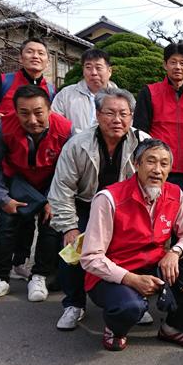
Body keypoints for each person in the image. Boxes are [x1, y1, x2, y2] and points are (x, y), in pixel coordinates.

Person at [80, 139, 183, 352]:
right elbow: (90, 257)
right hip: (113, 274)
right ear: (136, 164)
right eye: (150, 161)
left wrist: (174, 252)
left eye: (164, 164)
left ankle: (175, 327)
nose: (157, 170)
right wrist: (130, 279)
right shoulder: (109, 199)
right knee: (131, 307)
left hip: (153, 265)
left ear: (171, 169)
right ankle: (116, 328)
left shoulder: (175, 194)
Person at [48, 88, 151, 331]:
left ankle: (137, 300)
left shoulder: (144, 142)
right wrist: (69, 227)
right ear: (97, 114)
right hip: (86, 205)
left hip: (126, 208)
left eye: (123, 114)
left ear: (132, 116)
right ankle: (74, 303)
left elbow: (154, 181)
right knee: (73, 248)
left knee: (138, 247)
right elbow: (62, 190)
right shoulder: (77, 144)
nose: (117, 120)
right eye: (110, 113)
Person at [0, 38, 54, 287]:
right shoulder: (3, 81)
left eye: (41, 53)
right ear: (21, 57)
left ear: (47, 61)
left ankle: (19, 261)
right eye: (30, 52)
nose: (35, 56)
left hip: (30, 166)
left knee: (26, 215)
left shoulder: (51, 90)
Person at [0, 85, 71, 303]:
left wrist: (52, 199)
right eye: (24, 113)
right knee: (7, 222)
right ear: (15, 111)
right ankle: (0, 278)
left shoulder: (65, 129)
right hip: (17, 180)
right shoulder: (3, 127)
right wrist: (4, 198)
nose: (32, 120)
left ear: (49, 110)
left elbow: (67, 170)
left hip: (51, 181)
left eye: (38, 112)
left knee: (51, 224)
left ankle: (39, 275)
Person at [134, 42, 183, 199]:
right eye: (173, 62)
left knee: (176, 218)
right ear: (165, 65)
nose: (178, 67)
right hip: (153, 170)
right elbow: (139, 133)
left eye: (182, 63)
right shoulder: (149, 92)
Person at [52, 48, 117, 134]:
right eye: (88, 67)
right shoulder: (65, 95)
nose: (93, 72)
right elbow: (54, 123)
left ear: (109, 71)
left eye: (98, 68)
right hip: (72, 146)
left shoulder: (121, 99)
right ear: (83, 71)